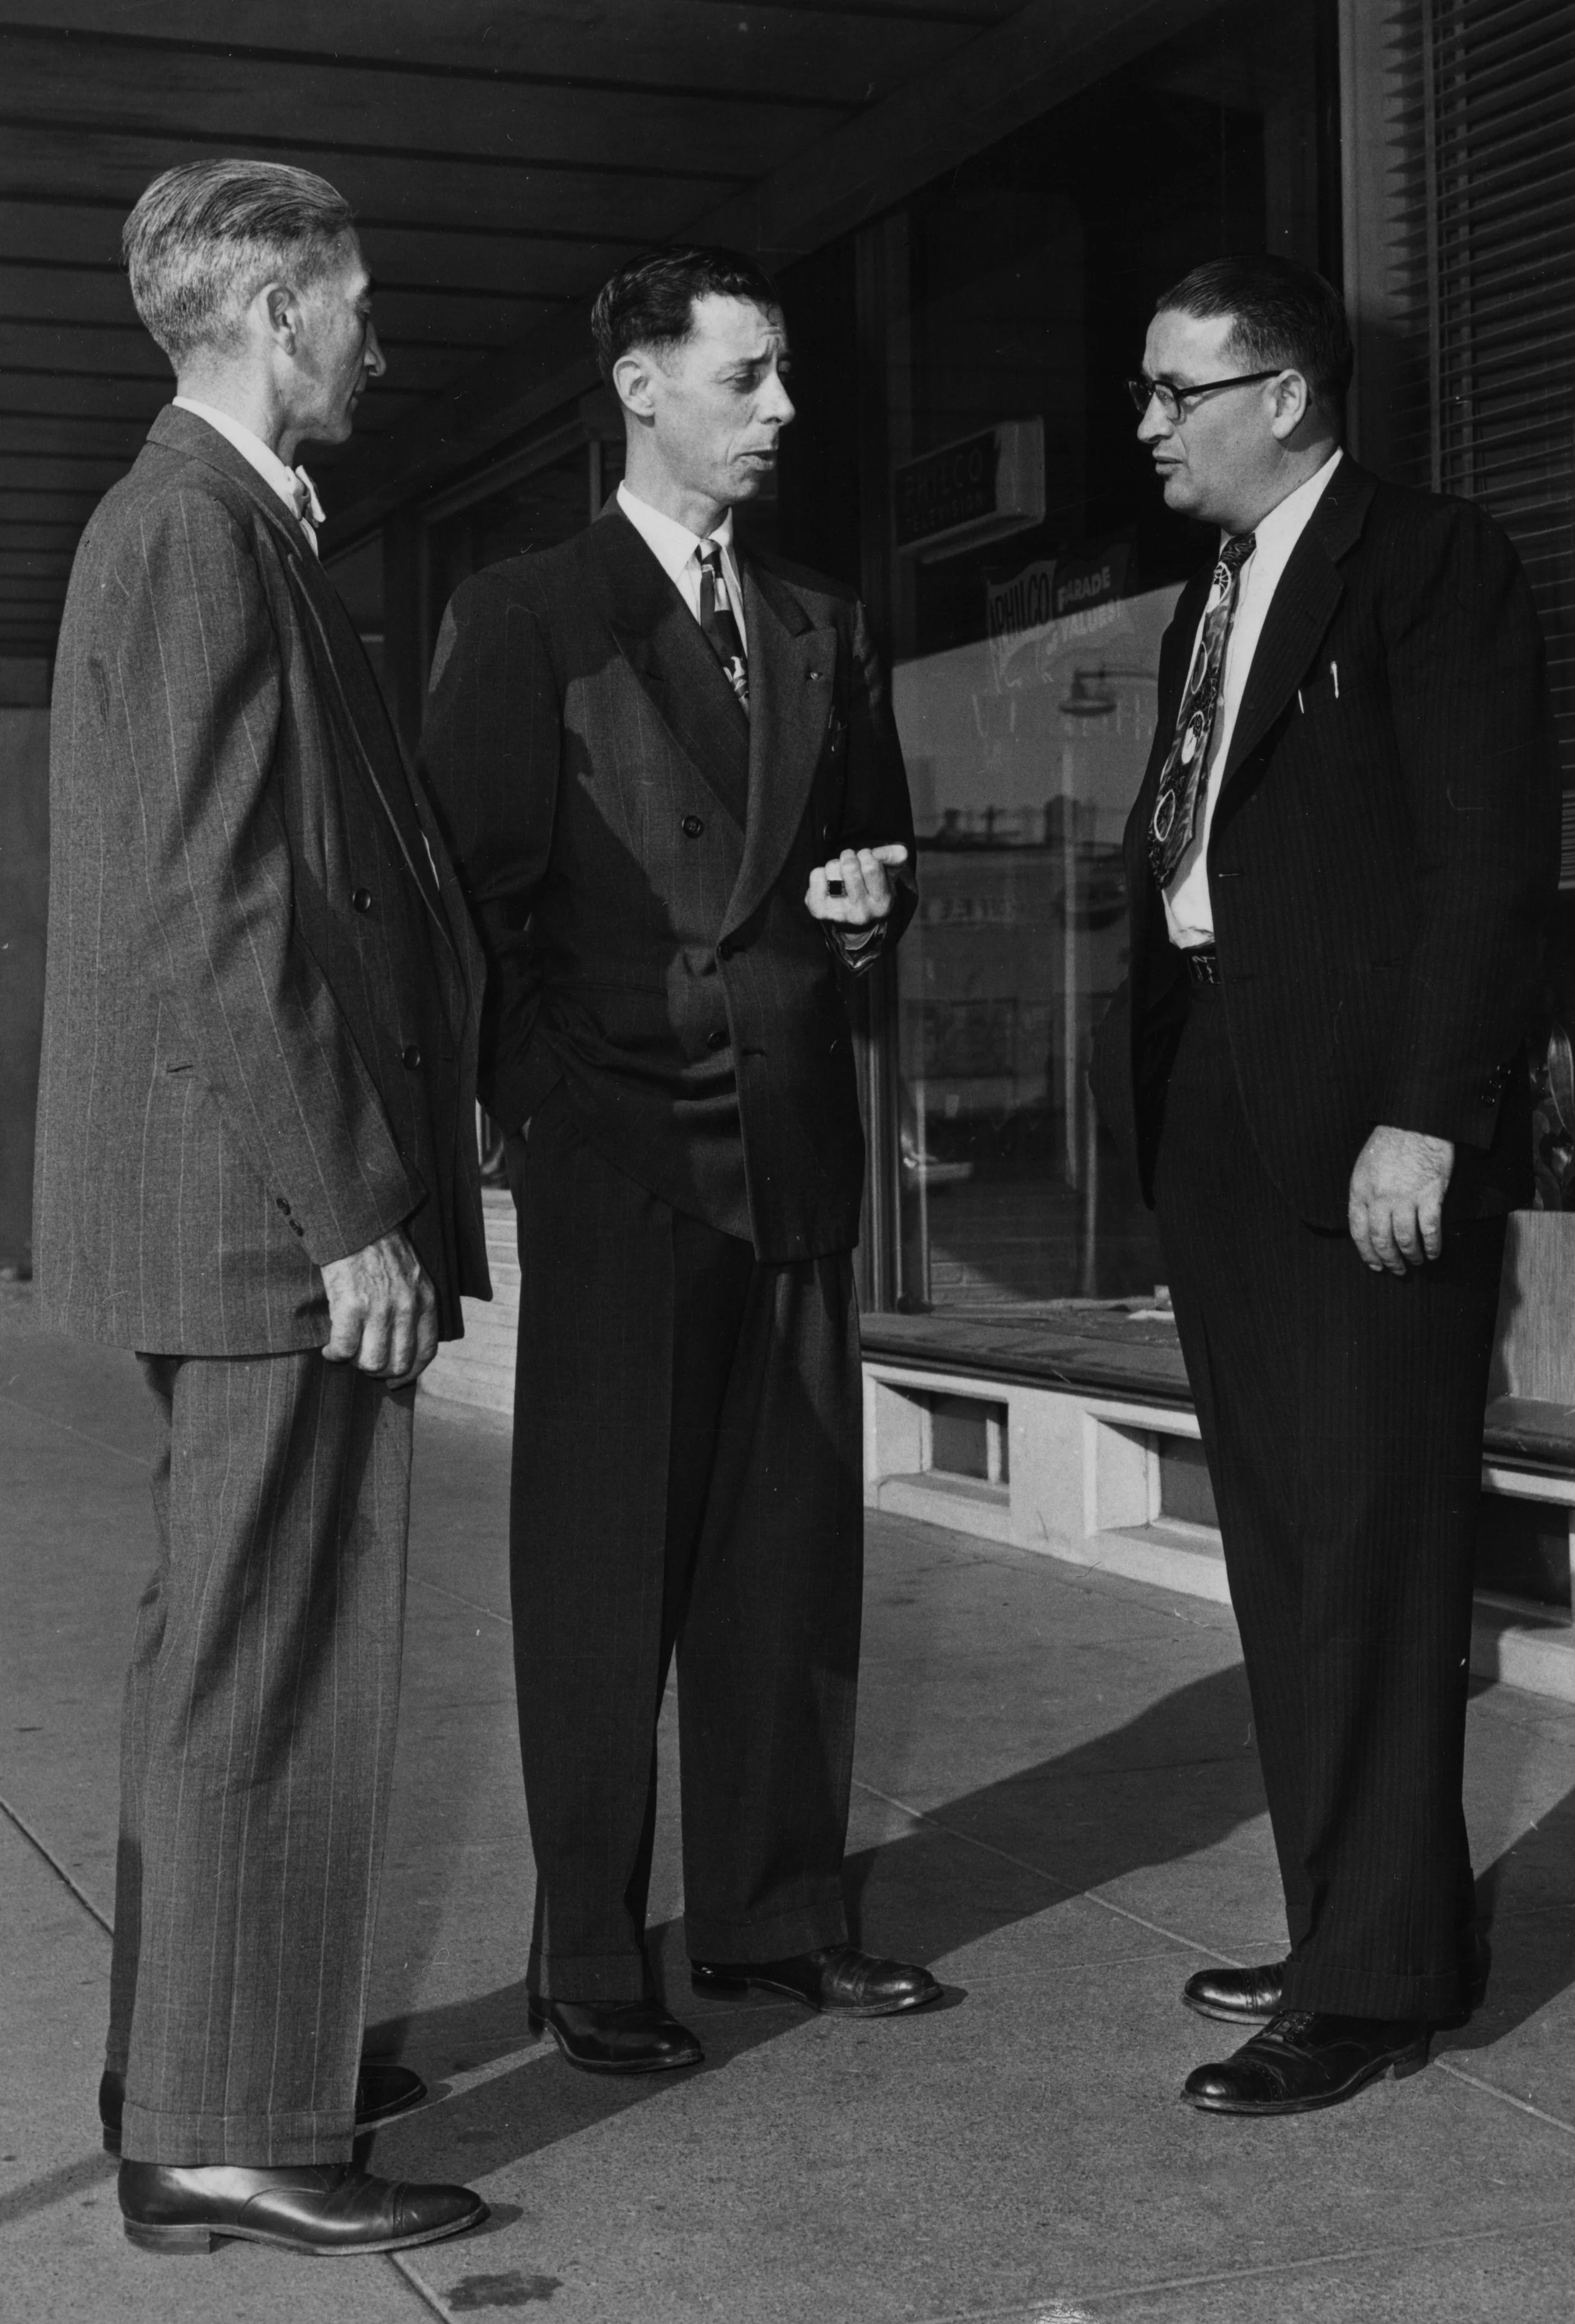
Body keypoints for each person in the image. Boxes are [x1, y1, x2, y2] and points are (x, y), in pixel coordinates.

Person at [34, 159, 491, 2255]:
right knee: (273, 1660)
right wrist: (350, 1212)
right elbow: (225, 912)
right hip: (257, 1208)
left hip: (233, 1193)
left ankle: (210, 2051)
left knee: (226, 1646)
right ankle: (224, 2130)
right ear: (281, 309)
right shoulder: (195, 530)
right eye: (358, 304)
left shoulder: (207, 523)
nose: (375, 343)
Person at [421, 244, 939, 2075]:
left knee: (787, 1556)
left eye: (782, 374)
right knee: (599, 1574)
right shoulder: (525, 611)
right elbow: (467, 917)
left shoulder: (816, 614)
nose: (780, 410)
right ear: (639, 387)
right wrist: (551, 1125)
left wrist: (872, 902)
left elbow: (867, 844)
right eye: (746, 378)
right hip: (623, 1165)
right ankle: (588, 1964)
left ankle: (777, 1924)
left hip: (793, 1145)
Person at [1091, 253, 1557, 2115]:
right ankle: (1359, 1923)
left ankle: (1368, 1990)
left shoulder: (1429, 560)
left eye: (1170, 393)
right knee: (1285, 1548)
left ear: (1280, 396)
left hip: (1369, 1127)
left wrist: (1428, 1110)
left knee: (1372, 1545)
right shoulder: (1214, 588)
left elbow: (1486, 861)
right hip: (1217, 1101)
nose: (1143, 427)